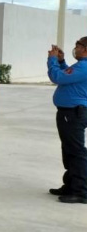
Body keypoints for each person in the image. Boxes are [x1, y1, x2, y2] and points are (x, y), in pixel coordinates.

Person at [46, 40, 87, 204]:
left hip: (73, 113)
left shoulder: (84, 66)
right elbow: (68, 75)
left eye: (78, 47)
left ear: (85, 49)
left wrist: (52, 60)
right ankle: (70, 184)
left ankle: (80, 190)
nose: (75, 49)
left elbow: (57, 77)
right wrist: (62, 62)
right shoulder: (80, 66)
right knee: (69, 149)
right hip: (69, 113)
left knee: (76, 151)